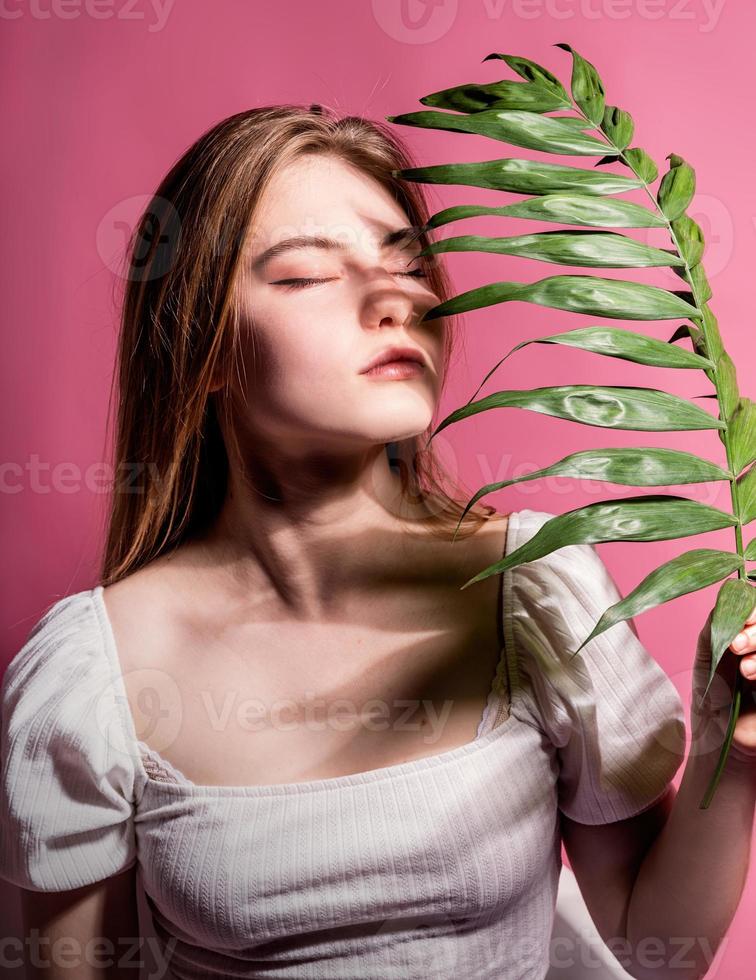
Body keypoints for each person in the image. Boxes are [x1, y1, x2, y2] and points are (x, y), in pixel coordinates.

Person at [2, 103, 755, 980]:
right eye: (311, 275)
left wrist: (728, 755)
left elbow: (656, 948)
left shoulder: (534, 587)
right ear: (202, 346)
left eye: (407, 263)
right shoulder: (96, 673)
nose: (397, 295)